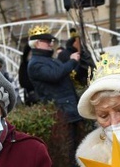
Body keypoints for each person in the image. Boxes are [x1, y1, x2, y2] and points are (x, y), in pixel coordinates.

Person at [27, 24, 85, 157]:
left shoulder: (49, 59)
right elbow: (55, 75)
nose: (50, 44)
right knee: (69, 150)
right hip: (61, 110)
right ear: (37, 43)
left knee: (78, 147)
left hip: (69, 108)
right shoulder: (35, 63)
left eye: (50, 41)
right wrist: (71, 62)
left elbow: (63, 74)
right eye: (47, 41)